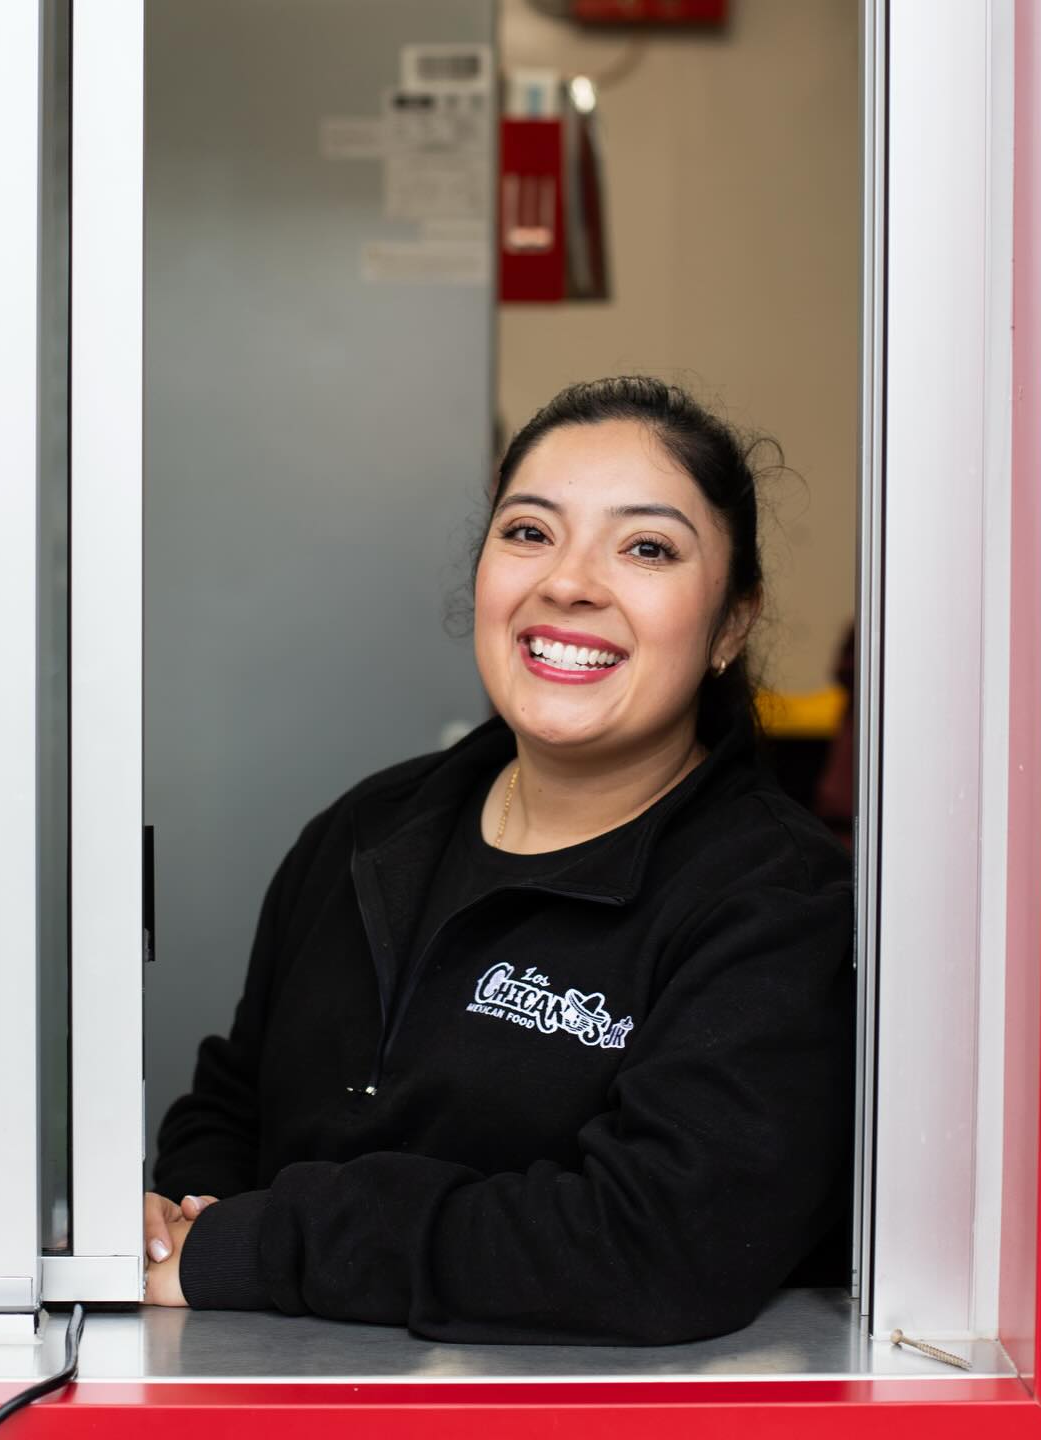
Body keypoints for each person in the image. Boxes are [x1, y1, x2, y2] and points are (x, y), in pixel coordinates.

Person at [143, 376, 854, 1345]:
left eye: (646, 547)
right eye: (529, 532)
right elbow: (231, 1100)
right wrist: (184, 1218)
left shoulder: (776, 901)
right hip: (271, 1391)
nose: (568, 581)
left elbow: (662, 1245)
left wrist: (262, 1247)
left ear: (732, 623)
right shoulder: (367, 830)